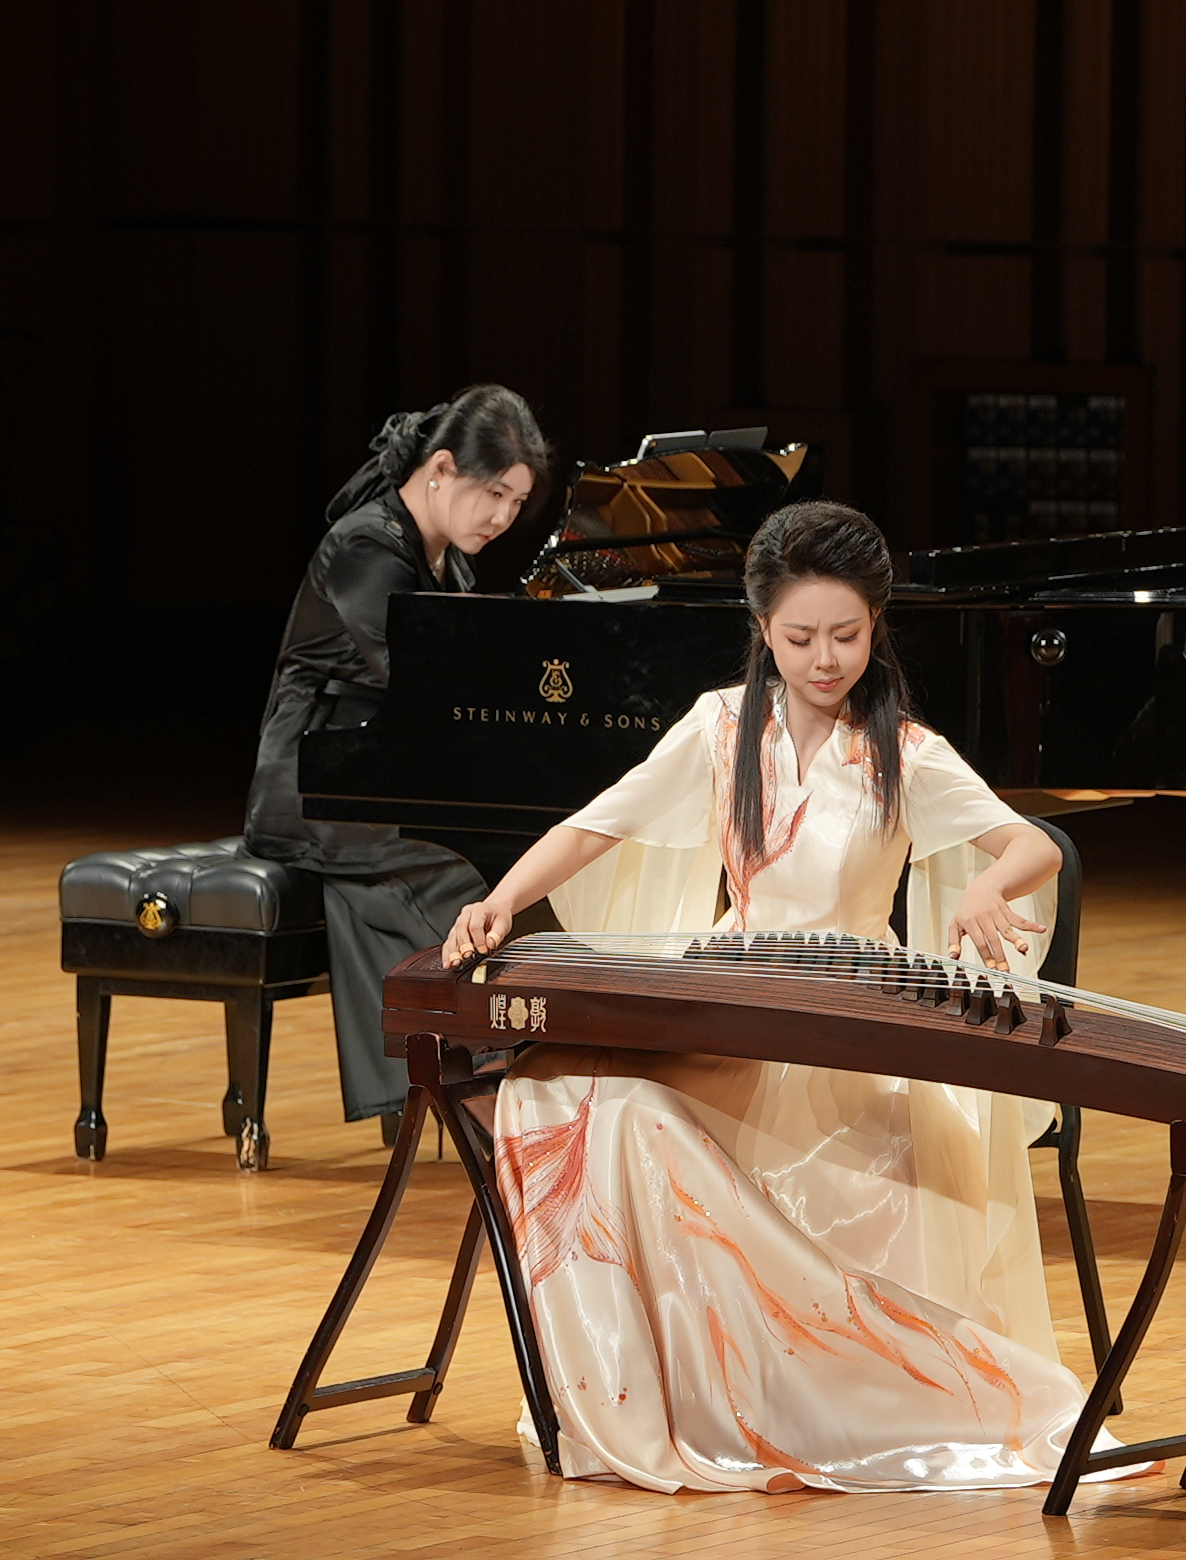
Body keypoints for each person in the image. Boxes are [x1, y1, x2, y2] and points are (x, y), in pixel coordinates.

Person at [442, 501, 1135, 1494]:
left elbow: (1030, 844)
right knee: (564, 1091)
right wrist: (502, 902)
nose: (824, 659)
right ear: (762, 626)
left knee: (664, 1122)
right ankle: (675, 1386)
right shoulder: (720, 725)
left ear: (875, 627)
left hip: (848, 1017)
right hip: (730, 998)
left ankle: (806, 1396)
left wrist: (988, 886)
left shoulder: (904, 750)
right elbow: (599, 824)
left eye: (846, 635)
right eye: (800, 636)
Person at [246, 384, 550, 1134]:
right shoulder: (365, 546)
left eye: (517, 503)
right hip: (314, 787)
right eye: (494, 494)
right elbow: (423, 684)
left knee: (528, 867)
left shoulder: (449, 559)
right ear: (441, 469)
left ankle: (508, 1078)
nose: (503, 518)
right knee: (468, 876)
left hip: (385, 782)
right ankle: (480, 1090)